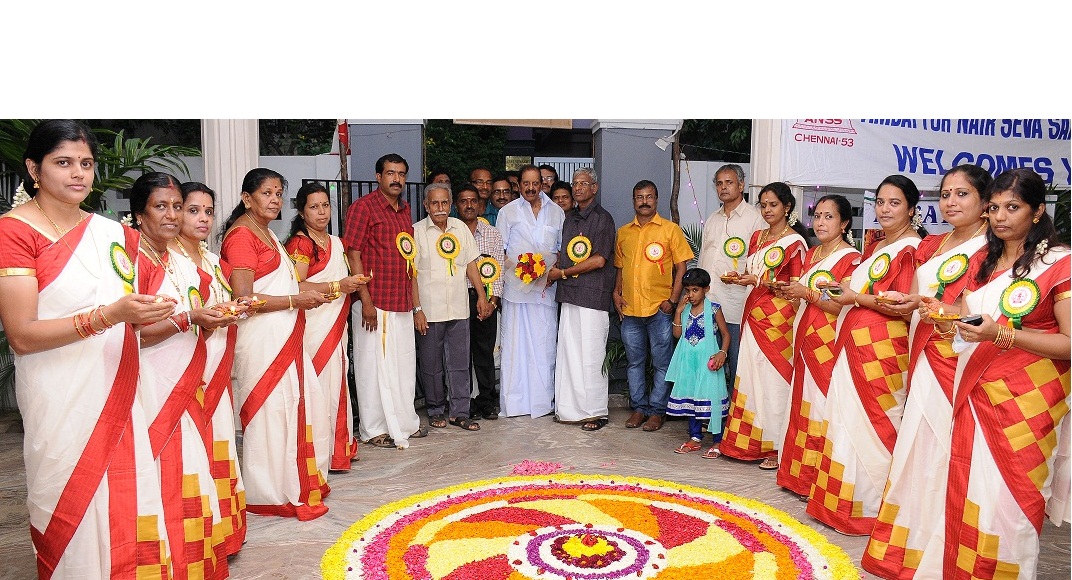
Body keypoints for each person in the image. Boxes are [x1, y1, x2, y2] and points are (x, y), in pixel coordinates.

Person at [0, 120, 175, 577]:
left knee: (127, 495)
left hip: (117, 383)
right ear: (34, 169)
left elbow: (137, 299)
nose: (78, 173)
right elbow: (22, 335)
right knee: (68, 495)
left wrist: (150, 311)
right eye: (63, 162)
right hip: (59, 392)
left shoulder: (110, 233)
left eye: (86, 163)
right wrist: (110, 315)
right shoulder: (14, 232)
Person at [911, 169, 1067, 579]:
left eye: (1013, 207)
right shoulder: (983, 261)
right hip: (975, 387)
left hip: (1029, 399)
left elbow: (1069, 343)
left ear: (1037, 211)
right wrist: (942, 317)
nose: (1000, 216)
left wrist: (1000, 334)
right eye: (994, 207)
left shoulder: (1060, 263)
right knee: (971, 488)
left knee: (1012, 499)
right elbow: (969, 323)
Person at [861, 165, 993, 577]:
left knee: (946, 448)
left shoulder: (992, 249)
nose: (951, 202)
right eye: (946, 194)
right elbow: (920, 301)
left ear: (984, 203)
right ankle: (910, 536)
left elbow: (980, 311)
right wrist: (908, 302)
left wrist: (937, 309)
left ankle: (944, 538)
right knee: (917, 445)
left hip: (957, 358)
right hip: (922, 351)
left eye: (962, 194)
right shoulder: (933, 244)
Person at [133, 172, 242, 577]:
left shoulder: (180, 263)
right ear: (139, 213)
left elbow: (194, 317)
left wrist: (208, 318)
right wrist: (190, 319)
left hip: (188, 376)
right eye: (162, 206)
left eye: (177, 206)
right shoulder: (133, 259)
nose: (173, 215)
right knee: (161, 470)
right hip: (152, 383)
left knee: (191, 468)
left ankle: (189, 555)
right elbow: (131, 333)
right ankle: (163, 556)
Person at [806, 174, 924, 535]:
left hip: (882, 349)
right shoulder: (876, 246)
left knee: (874, 424)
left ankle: (870, 509)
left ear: (912, 209)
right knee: (844, 421)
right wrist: (843, 291)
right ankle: (839, 505)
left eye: (894, 203)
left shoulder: (911, 250)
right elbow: (863, 293)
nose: (884, 209)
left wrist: (854, 297)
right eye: (880, 202)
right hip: (852, 342)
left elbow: (901, 305)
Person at [221, 168, 331, 520]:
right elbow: (244, 299)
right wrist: (294, 301)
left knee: (291, 409)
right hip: (262, 340)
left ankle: (290, 481)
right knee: (271, 413)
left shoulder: (265, 232)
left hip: (283, 335)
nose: (274, 200)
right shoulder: (242, 236)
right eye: (266, 193)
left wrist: (323, 291)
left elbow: (286, 285)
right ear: (246, 198)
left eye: (279, 193)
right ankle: (268, 492)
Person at [173, 181, 248, 561]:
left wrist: (234, 310)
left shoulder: (213, 260)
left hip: (217, 366)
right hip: (184, 370)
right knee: (192, 454)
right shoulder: (168, 261)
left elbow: (223, 302)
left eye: (208, 211)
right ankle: (196, 535)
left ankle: (224, 530)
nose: (203, 218)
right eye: (193, 210)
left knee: (220, 443)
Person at [776, 194, 861, 498]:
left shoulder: (852, 259)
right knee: (802, 407)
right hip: (805, 339)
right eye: (817, 216)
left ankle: (816, 480)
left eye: (829, 217)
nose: (821, 222)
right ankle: (798, 476)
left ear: (844, 223)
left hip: (827, 344)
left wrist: (807, 293)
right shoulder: (812, 254)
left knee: (821, 410)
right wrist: (792, 293)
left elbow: (841, 306)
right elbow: (805, 296)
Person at [720, 182, 808, 469]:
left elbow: (795, 288)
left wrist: (758, 281)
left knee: (774, 382)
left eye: (773, 205)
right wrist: (741, 278)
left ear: (787, 207)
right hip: (753, 314)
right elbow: (751, 272)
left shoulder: (795, 242)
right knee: (750, 377)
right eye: (763, 205)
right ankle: (748, 443)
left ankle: (776, 447)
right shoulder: (757, 237)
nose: (767, 210)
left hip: (779, 321)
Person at [343, 153, 426, 448]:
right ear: (378, 177)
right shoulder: (362, 207)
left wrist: (416, 306)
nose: (397, 179)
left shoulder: (405, 210)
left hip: (400, 301)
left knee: (402, 366)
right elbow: (353, 254)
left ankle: (403, 422)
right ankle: (374, 428)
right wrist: (365, 301)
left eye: (401, 174)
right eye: (391, 173)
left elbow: (409, 260)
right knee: (371, 366)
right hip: (374, 302)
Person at [284, 183, 366, 471]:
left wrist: (352, 284)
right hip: (313, 327)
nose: (321, 212)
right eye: (314, 207)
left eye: (325, 205)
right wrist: (337, 286)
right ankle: (317, 451)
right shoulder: (300, 244)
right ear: (302, 212)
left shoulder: (337, 242)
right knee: (318, 386)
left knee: (336, 384)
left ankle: (337, 448)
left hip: (335, 324)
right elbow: (295, 286)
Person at [614, 180, 694, 432]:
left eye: (649, 196)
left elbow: (682, 267)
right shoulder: (623, 232)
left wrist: (673, 300)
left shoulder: (670, 230)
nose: (644, 201)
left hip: (659, 310)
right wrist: (616, 293)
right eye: (639, 197)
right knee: (635, 363)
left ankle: (657, 411)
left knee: (662, 363)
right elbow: (620, 267)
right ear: (633, 201)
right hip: (630, 310)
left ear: (656, 200)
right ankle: (639, 408)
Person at [412, 183, 492, 431]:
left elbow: (471, 265)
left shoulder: (460, 228)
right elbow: (411, 274)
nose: (440, 208)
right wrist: (417, 309)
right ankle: (436, 409)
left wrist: (482, 296)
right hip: (430, 311)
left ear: (450, 205)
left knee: (460, 364)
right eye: (434, 203)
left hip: (458, 308)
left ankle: (460, 412)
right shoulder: (416, 232)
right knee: (431, 365)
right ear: (426, 206)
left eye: (444, 202)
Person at [547, 168, 616, 431]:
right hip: (570, 294)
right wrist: (553, 270)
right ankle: (569, 409)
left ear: (594, 188)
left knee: (591, 355)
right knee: (569, 353)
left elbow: (599, 260)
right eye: (575, 183)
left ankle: (595, 412)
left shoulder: (602, 218)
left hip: (592, 295)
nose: (577, 188)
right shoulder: (570, 219)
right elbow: (566, 255)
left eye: (583, 183)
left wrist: (563, 273)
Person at [496, 164, 565, 418]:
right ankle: (515, 404)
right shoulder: (507, 212)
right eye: (526, 183)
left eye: (536, 183)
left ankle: (541, 403)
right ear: (519, 185)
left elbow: (561, 250)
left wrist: (548, 272)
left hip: (545, 290)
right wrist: (522, 271)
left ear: (542, 184)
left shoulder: (556, 211)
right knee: (515, 347)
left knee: (544, 345)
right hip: (515, 291)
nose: (531, 188)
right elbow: (500, 251)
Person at [698, 164, 765, 403]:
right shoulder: (712, 219)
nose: (723, 188)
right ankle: (711, 412)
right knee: (708, 362)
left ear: (741, 185)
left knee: (736, 364)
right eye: (719, 183)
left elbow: (760, 261)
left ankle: (735, 416)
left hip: (735, 305)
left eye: (729, 182)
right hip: (709, 303)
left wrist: (744, 275)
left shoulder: (755, 219)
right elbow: (703, 258)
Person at [666, 268, 731, 458]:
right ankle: (695, 438)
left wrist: (722, 353)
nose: (691, 295)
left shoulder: (714, 309)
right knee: (693, 399)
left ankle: (718, 440)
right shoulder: (685, 309)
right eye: (688, 291)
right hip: (689, 363)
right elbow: (677, 335)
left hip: (709, 363)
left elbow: (726, 334)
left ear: (706, 289)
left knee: (713, 398)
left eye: (695, 290)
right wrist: (678, 311)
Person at [456, 184, 506, 420]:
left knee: (484, 352)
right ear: (456, 206)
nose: (469, 205)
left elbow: (499, 271)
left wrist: (491, 303)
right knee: (461, 353)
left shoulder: (492, 233)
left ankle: (487, 401)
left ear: (481, 205)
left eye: (473, 201)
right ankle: (464, 402)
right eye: (463, 201)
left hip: (486, 299)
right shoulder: (451, 234)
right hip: (458, 298)